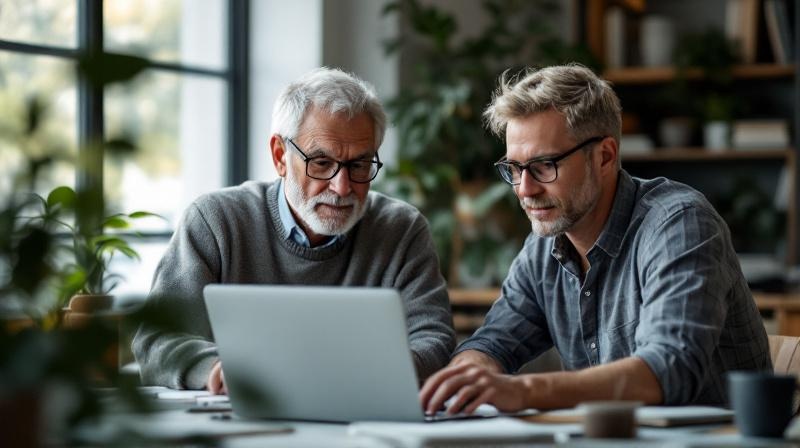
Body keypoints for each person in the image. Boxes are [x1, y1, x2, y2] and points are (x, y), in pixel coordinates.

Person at [420, 64, 771, 415]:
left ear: (604, 156)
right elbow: (493, 343)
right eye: (514, 169)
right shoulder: (544, 247)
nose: (525, 189)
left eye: (544, 165)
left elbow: (670, 368)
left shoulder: (679, 224)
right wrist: (469, 376)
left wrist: (523, 390)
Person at [133, 67, 455, 393]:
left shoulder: (401, 229)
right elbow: (156, 339)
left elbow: (435, 339)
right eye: (321, 163)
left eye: (359, 165)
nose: (342, 187)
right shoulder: (214, 222)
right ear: (280, 157)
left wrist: (368, 373)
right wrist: (217, 368)